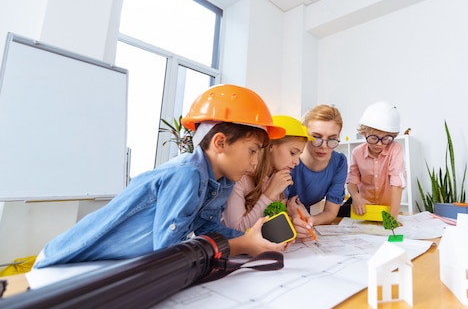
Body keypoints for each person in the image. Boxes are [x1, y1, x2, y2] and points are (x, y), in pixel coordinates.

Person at [34, 84, 288, 269]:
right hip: (65, 264)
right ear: (220, 143)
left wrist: (255, 238)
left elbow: (208, 228)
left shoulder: (221, 181)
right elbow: (169, 252)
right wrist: (242, 245)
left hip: (108, 268)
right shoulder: (187, 175)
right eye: (252, 151)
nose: (255, 163)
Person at [222, 115, 312, 232]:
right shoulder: (239, 177)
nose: (297, 162)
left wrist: (294, 222)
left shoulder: (275, 179)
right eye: (292, 152)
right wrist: (270, 193)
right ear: (271, 145)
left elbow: (268, 227)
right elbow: (238, 231)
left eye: (299, 155)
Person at [286, 105, 348, 241]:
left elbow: (331, 212)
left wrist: (310, 220)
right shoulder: (288, 160)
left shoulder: (339, 163)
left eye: (332, 139)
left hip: (302, 219)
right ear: (304, 135)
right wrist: (293, 219)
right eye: (316, 137)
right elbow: (275, 205)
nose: (324, 146)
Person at [346, 101, 407, 219]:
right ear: (363, 133)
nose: (379, 144)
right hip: (365, 209)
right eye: (373, 138)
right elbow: (351, 180)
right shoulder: (357, 152)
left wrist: (393, 217)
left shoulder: (395, 149)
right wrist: (356, 197)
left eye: (385, 139)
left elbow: (396, 184)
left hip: (388, 209)